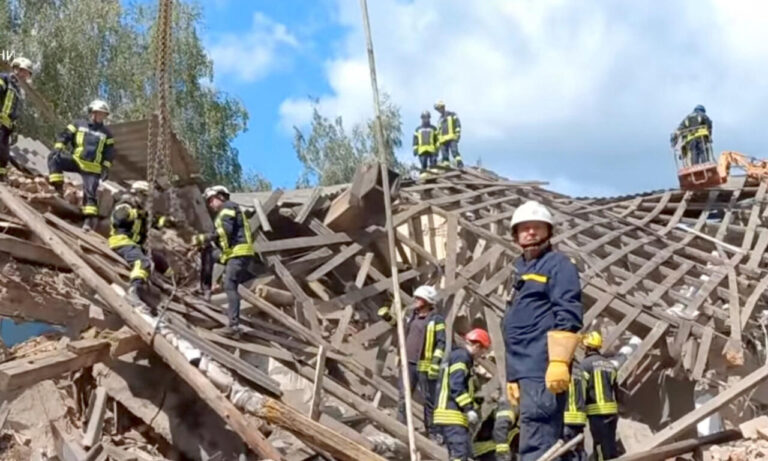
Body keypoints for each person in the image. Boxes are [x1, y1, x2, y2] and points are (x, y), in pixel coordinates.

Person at [502, 200, 583, 461]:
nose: (531, 233)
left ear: (549, 232)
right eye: (524, 228)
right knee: (535, 435)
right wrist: (512, 375)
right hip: (524, 370)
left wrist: (559, 360)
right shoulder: (520, 271)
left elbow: (568, 312)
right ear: (516, 236)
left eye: (537, 227)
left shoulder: (558, 265)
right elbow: (515, 326)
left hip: (542, 368)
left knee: (537, 443)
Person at [378, 285, 444, 440]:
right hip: (407, 363)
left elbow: (441, 342)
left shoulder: (436, 320)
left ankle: (433, 433)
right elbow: (401, 329)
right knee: (403, 396)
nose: (416, 301)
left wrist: (435, 363)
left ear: (428, 301)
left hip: (425, 366)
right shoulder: (412, 315)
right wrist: (388, 317)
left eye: (419, 298)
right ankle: (400, 428)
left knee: (429, 401)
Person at [193, 185, 257, 338]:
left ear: (221, 196)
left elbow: (224, 232)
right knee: (207, 252)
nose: (210, 204)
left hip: (237, 253)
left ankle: (233, 327)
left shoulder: (227, 208)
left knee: (230, 285)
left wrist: (203, 238)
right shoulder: (228, 210)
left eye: (211, 200)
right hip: (231, 253)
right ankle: (206, 290)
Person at [48, 99, 115, 230]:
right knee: (54, 158)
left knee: (90, 195)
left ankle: (88, 223)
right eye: (99, 113)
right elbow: (65, 135)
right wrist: (58, 147)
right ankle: (58, 189)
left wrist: (106, 167)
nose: (101, 116)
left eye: (104, 114)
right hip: (76, 161)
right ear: (92, 112)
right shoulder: (78, 124)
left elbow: (109, 152)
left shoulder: (107, 134)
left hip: (92, 168)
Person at [108, 181, 174, 311]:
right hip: (122, 242)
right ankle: (133, 292)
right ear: (136, 193)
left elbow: (154, 221)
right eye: (144, 196)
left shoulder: (142, 210)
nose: (146, 201)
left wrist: (167, 221)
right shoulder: (124, 205)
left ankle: (169, 283)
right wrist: (138, 214)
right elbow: (120, 218)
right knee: (142, 262)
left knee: (161, 261)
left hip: (136, 244)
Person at [434, 328, 491, 461]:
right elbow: (456, 385)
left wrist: (475, 402)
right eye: (483, 351)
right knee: (460, 455)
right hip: (451, 414)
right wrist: (469, 409)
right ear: (477, 346)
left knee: (459, 454)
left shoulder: (459, 356)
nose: (482, 355)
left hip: (449, 414)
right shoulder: (462, 357)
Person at [581, 331, 620, 461]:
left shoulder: (585, 365)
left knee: (600, 446)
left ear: (587, 347)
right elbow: (617, 389)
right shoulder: (610, 365)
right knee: (610, 444)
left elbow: (581, 390)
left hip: (597, 413)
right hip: (612, 413)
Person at [0, 57, 33, 181]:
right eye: (23, 71)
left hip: (6, 127)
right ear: (15, 68)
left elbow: (14, 112)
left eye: (27, 73)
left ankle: (1, 179)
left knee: (3, 155)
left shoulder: (18, 91)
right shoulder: (5, 79)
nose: (25, 75)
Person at [562, 362, 589, 461]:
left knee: (567, 451)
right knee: (580, 449)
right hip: (580, 418)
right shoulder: (582, 371)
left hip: (567, 418)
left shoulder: (562, 371)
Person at [434, 100, 463, 168]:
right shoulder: (440, 119)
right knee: (444, 155)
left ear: (443, 107)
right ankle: (446, 166)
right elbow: (438, 131)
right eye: (438, 109)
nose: (439, 110)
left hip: (452, 138)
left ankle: (460, 164)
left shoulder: (452, 114)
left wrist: (457, 134)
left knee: (454, 152)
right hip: (442, 140)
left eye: (439, 108)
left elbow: (457, 124)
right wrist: (438, 142)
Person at [412, 111, 439, 178]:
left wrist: (437, 149)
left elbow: (437, 140)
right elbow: (415, 141)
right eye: (424, 118)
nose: (426, 119)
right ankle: (424, 175)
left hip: (431, 149)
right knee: (423, 163)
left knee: (433, 162)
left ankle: (433, 174)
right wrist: (415, 150)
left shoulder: (433, 128)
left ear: (429, 118)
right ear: (422, 118)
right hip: (422, 150)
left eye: (427, 117)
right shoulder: (418, 129)